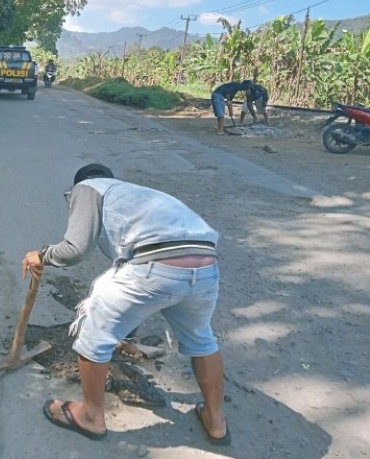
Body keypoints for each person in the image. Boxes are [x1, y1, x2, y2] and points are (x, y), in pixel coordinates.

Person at [22, 163, 230, 445]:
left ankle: (91, 417)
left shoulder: (87, 188)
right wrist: (125, 334)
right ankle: (216, 421)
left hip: (155, 265)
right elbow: (132, 278)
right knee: (202, 340)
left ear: (76, 188)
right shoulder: (137, 196)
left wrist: (42, 255)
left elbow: (74, 250)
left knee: (92, 338)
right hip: (206, 265)